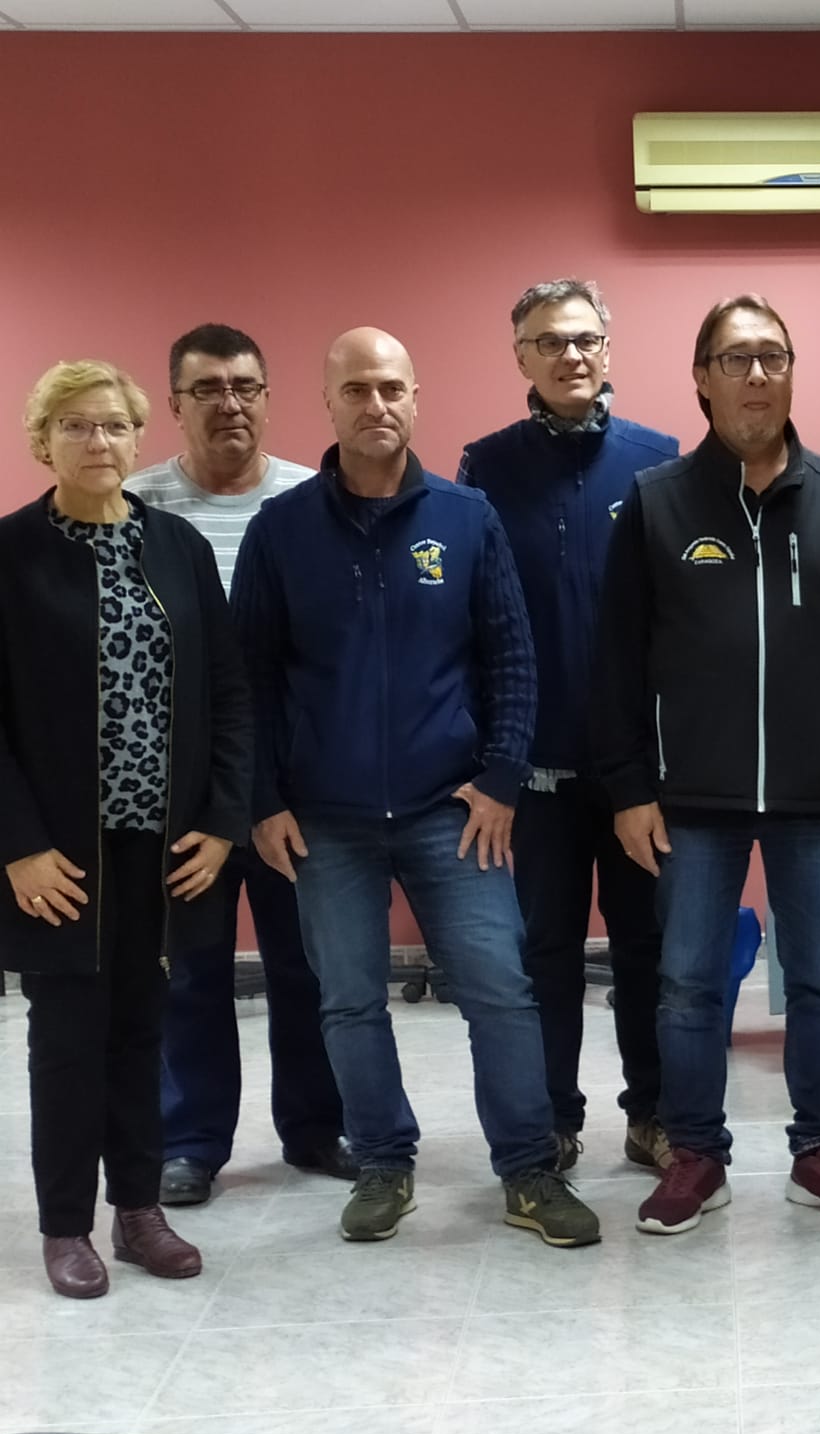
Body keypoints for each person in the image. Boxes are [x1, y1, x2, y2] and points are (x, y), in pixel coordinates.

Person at [233, 327, 598, 1249]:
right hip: (326, 820)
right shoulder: (281, 531)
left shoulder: (468, 519)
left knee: (502, 991)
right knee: (350, 1001)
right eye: (356, 389)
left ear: (415, 398)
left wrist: (502, 779)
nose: (376, 405)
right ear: (328, 402)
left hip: (453, 812)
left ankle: (528, 1170)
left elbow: (512, 658)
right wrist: (262, 800)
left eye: (391, 387)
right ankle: (383, 1162)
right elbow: (249, 680)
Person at [595, 293, 820, 1234]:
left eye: (773, 356)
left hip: (816, 796)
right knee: (689, 983)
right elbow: (615, 660)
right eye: (736, 358)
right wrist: (630, 788)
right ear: (702, 378)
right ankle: (695, 1154)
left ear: (791, 374)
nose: (757, 375)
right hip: (692, 797)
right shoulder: (657, 501)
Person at [0, 360, 250, 1297]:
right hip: (59, 852)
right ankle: (66, 1225)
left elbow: (229, 692)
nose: (97, 441)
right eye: (75, 426)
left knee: (147, 1028)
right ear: (43, 442)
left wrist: (221, 822)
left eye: (112, 425)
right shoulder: (11, 553)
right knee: (69, 1037)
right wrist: (18, 847)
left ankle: (139, 1210)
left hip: (164, 846)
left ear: (139, 436)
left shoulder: (176, 546)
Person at [123, 323, 348, 1207]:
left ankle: (316, 1127)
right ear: (174, 404)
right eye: (208, 389)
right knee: (192, 972)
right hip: (182, 791)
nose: (229, 404)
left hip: (295, 781)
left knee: (308, 966)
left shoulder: (310, 500)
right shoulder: (136, 506)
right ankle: (189, 1142)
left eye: (245, 387)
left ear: (268, 398)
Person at [459, 280, 680, 1174]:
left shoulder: (658, 461)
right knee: (543, 953)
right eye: (549, 341)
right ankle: (553, 1118)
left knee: (646, 950)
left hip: (637, 773)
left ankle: (652, 1113)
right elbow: (475, 619)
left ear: (608, 349)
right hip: (535, 770)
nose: (571, 355)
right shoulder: (486, 467)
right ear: (521, 357)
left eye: (585, 338)